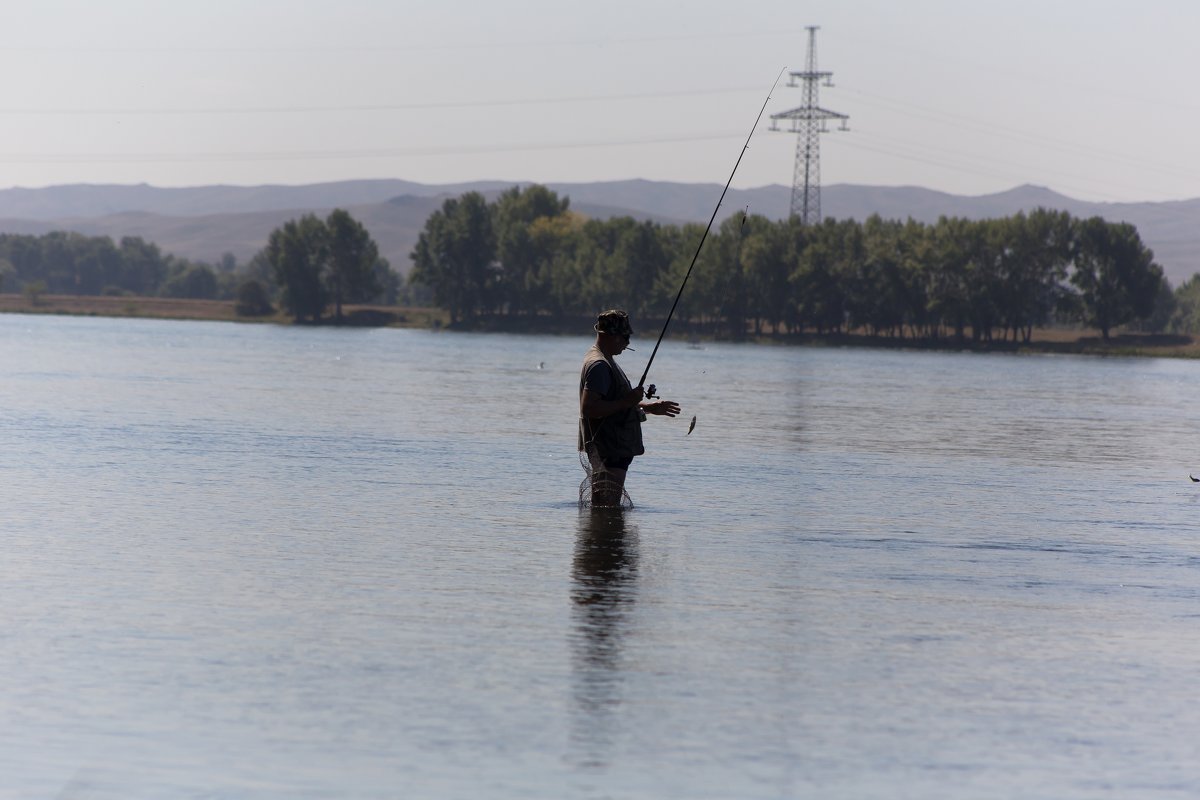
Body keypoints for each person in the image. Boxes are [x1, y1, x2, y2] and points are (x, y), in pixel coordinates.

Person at [578, 309, 680, 506]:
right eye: (625, 337)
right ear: (611, 336)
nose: (628, 343)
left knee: (605, 507)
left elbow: (613, 401)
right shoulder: (599, 365)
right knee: (606, 507)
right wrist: (627, 402)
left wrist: (648, 407)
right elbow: (589, 408)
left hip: (612, 448)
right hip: (608, 448)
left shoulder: (605, 360)